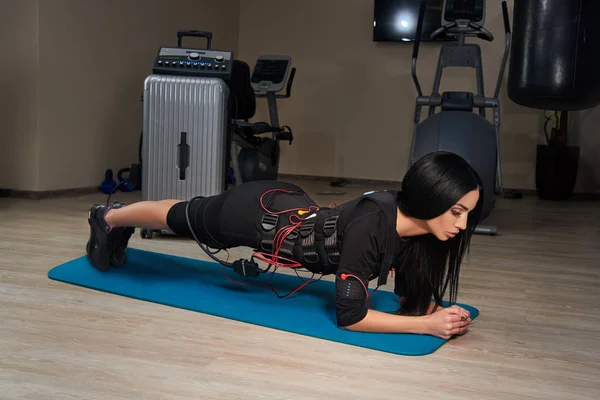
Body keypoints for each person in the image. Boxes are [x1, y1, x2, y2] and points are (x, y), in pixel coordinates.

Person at [86, 151, 482, 339]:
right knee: (178, 217)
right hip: (252, 217)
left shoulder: (415, 228)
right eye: (457, 211)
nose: (462, 225)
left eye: (468, 214)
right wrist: (426, 326)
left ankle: (116, 217)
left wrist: (435, 311)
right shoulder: (371, 226)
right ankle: (108, 217)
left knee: (182, 213)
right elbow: (351, 317)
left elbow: (411, 288)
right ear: (430, 199)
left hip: (291, 206)